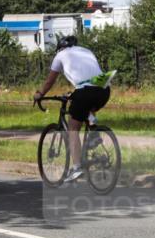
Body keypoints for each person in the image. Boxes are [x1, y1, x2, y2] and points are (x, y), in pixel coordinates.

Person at [34, 35, 113, 182]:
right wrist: (75, 94)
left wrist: (40, 94)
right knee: (89, 107)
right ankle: (94, 132)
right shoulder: (86, 51)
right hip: (104, 89)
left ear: (60, 47)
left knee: (72, 128)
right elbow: (88, 77)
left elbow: (50, 81)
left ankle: (77, 168)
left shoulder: (60, 55)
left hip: (85, 91)